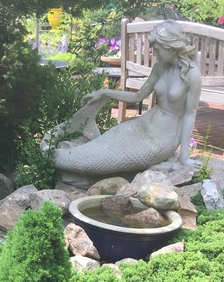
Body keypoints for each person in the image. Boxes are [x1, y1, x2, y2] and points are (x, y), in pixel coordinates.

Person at [41, 20, 202, 181]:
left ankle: (56, 157)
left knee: (98, 160)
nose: (154, 53)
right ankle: (52, 150)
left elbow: (190, 115)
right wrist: (104, 93)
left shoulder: (192, 75)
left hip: (162, 139)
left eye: (157, 49)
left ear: (170, 48)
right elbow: (137, 96)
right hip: (142, 125)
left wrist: (184, 158)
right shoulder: (160, 67)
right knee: (102, 146)